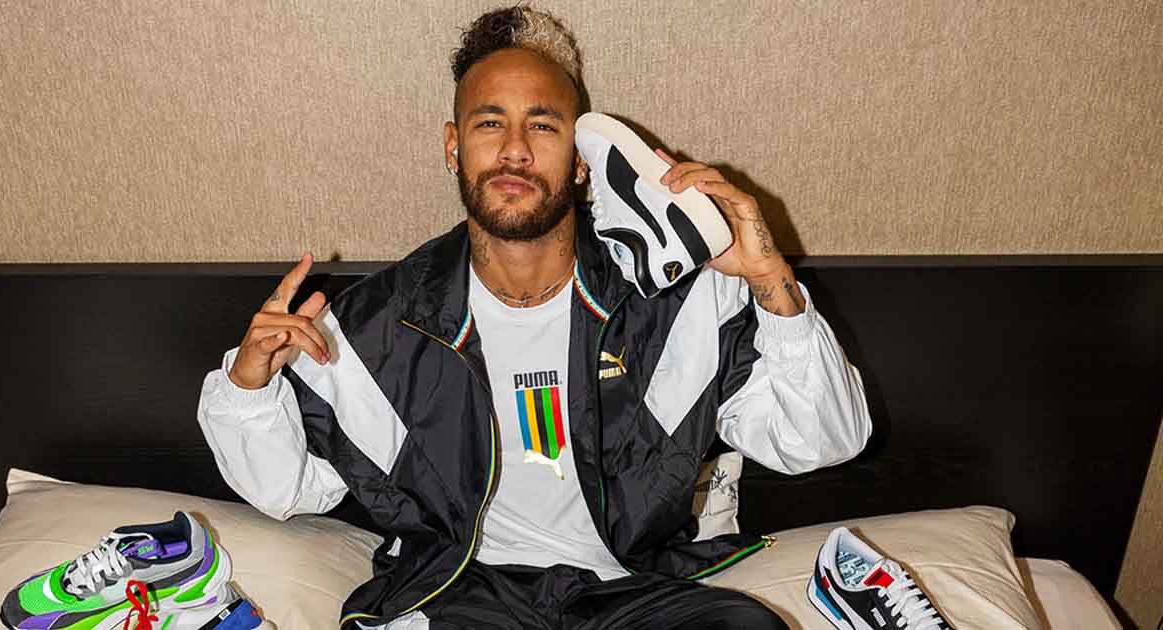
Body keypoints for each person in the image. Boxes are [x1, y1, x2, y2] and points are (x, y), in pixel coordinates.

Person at [198, 6, 872, 629]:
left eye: (543, 125)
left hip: (628, 589)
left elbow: (823, 441)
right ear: (453, 145)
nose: (515, 149)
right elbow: (288, 489)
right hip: (461, 593)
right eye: (490, 123)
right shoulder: (375, 327)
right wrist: (250, 386)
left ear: (579, 161)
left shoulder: (678, 300)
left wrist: (770, 281)